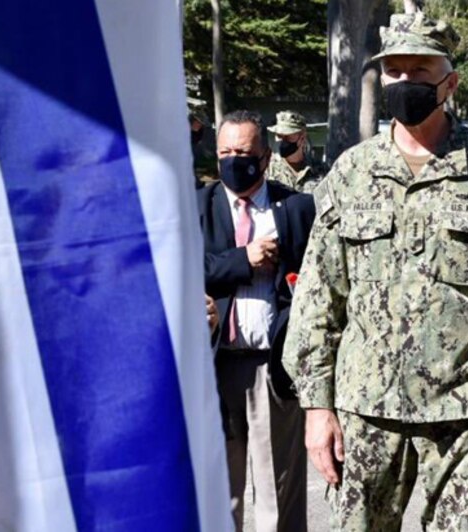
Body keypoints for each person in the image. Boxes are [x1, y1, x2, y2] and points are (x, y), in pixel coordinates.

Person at [282, 13, 468, 532]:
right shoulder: (352, 172)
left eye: (420, 69)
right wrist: (316, 407)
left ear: (450, 83)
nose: (406, 82)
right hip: (367, 408)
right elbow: (319, 299)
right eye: (395, 71)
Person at [198, 109, 317, 532]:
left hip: (274, 367)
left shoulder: (297, 207)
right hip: (216, 365)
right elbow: (182, 265)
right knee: (220, 490)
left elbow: (320, 279)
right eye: (225, 152)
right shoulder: (198, 205)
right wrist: (242, 261)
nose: (234, 160)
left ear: (265, 157)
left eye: (244, 152)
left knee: (278, 490)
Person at [265, 110, 326, 193]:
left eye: (287, 136)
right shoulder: (267, 171)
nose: (282, 141)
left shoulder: (320, 171)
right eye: (279, 135)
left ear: (302, 137)